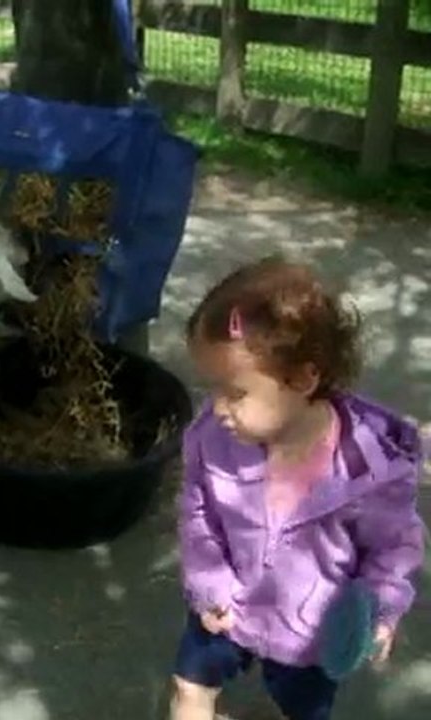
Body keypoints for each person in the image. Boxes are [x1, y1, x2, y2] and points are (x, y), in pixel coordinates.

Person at [171, 256, 425, 720]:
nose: (218, 408)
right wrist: (210, 582)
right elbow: (196, 509)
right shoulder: (215, 437)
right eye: (213, 388)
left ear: (305, 378)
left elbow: (393, 547)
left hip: (308, 630)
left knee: (300, 711)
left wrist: (380, 606)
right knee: (189, 687)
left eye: (236, 392)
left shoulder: (368, 470)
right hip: (227, 604)